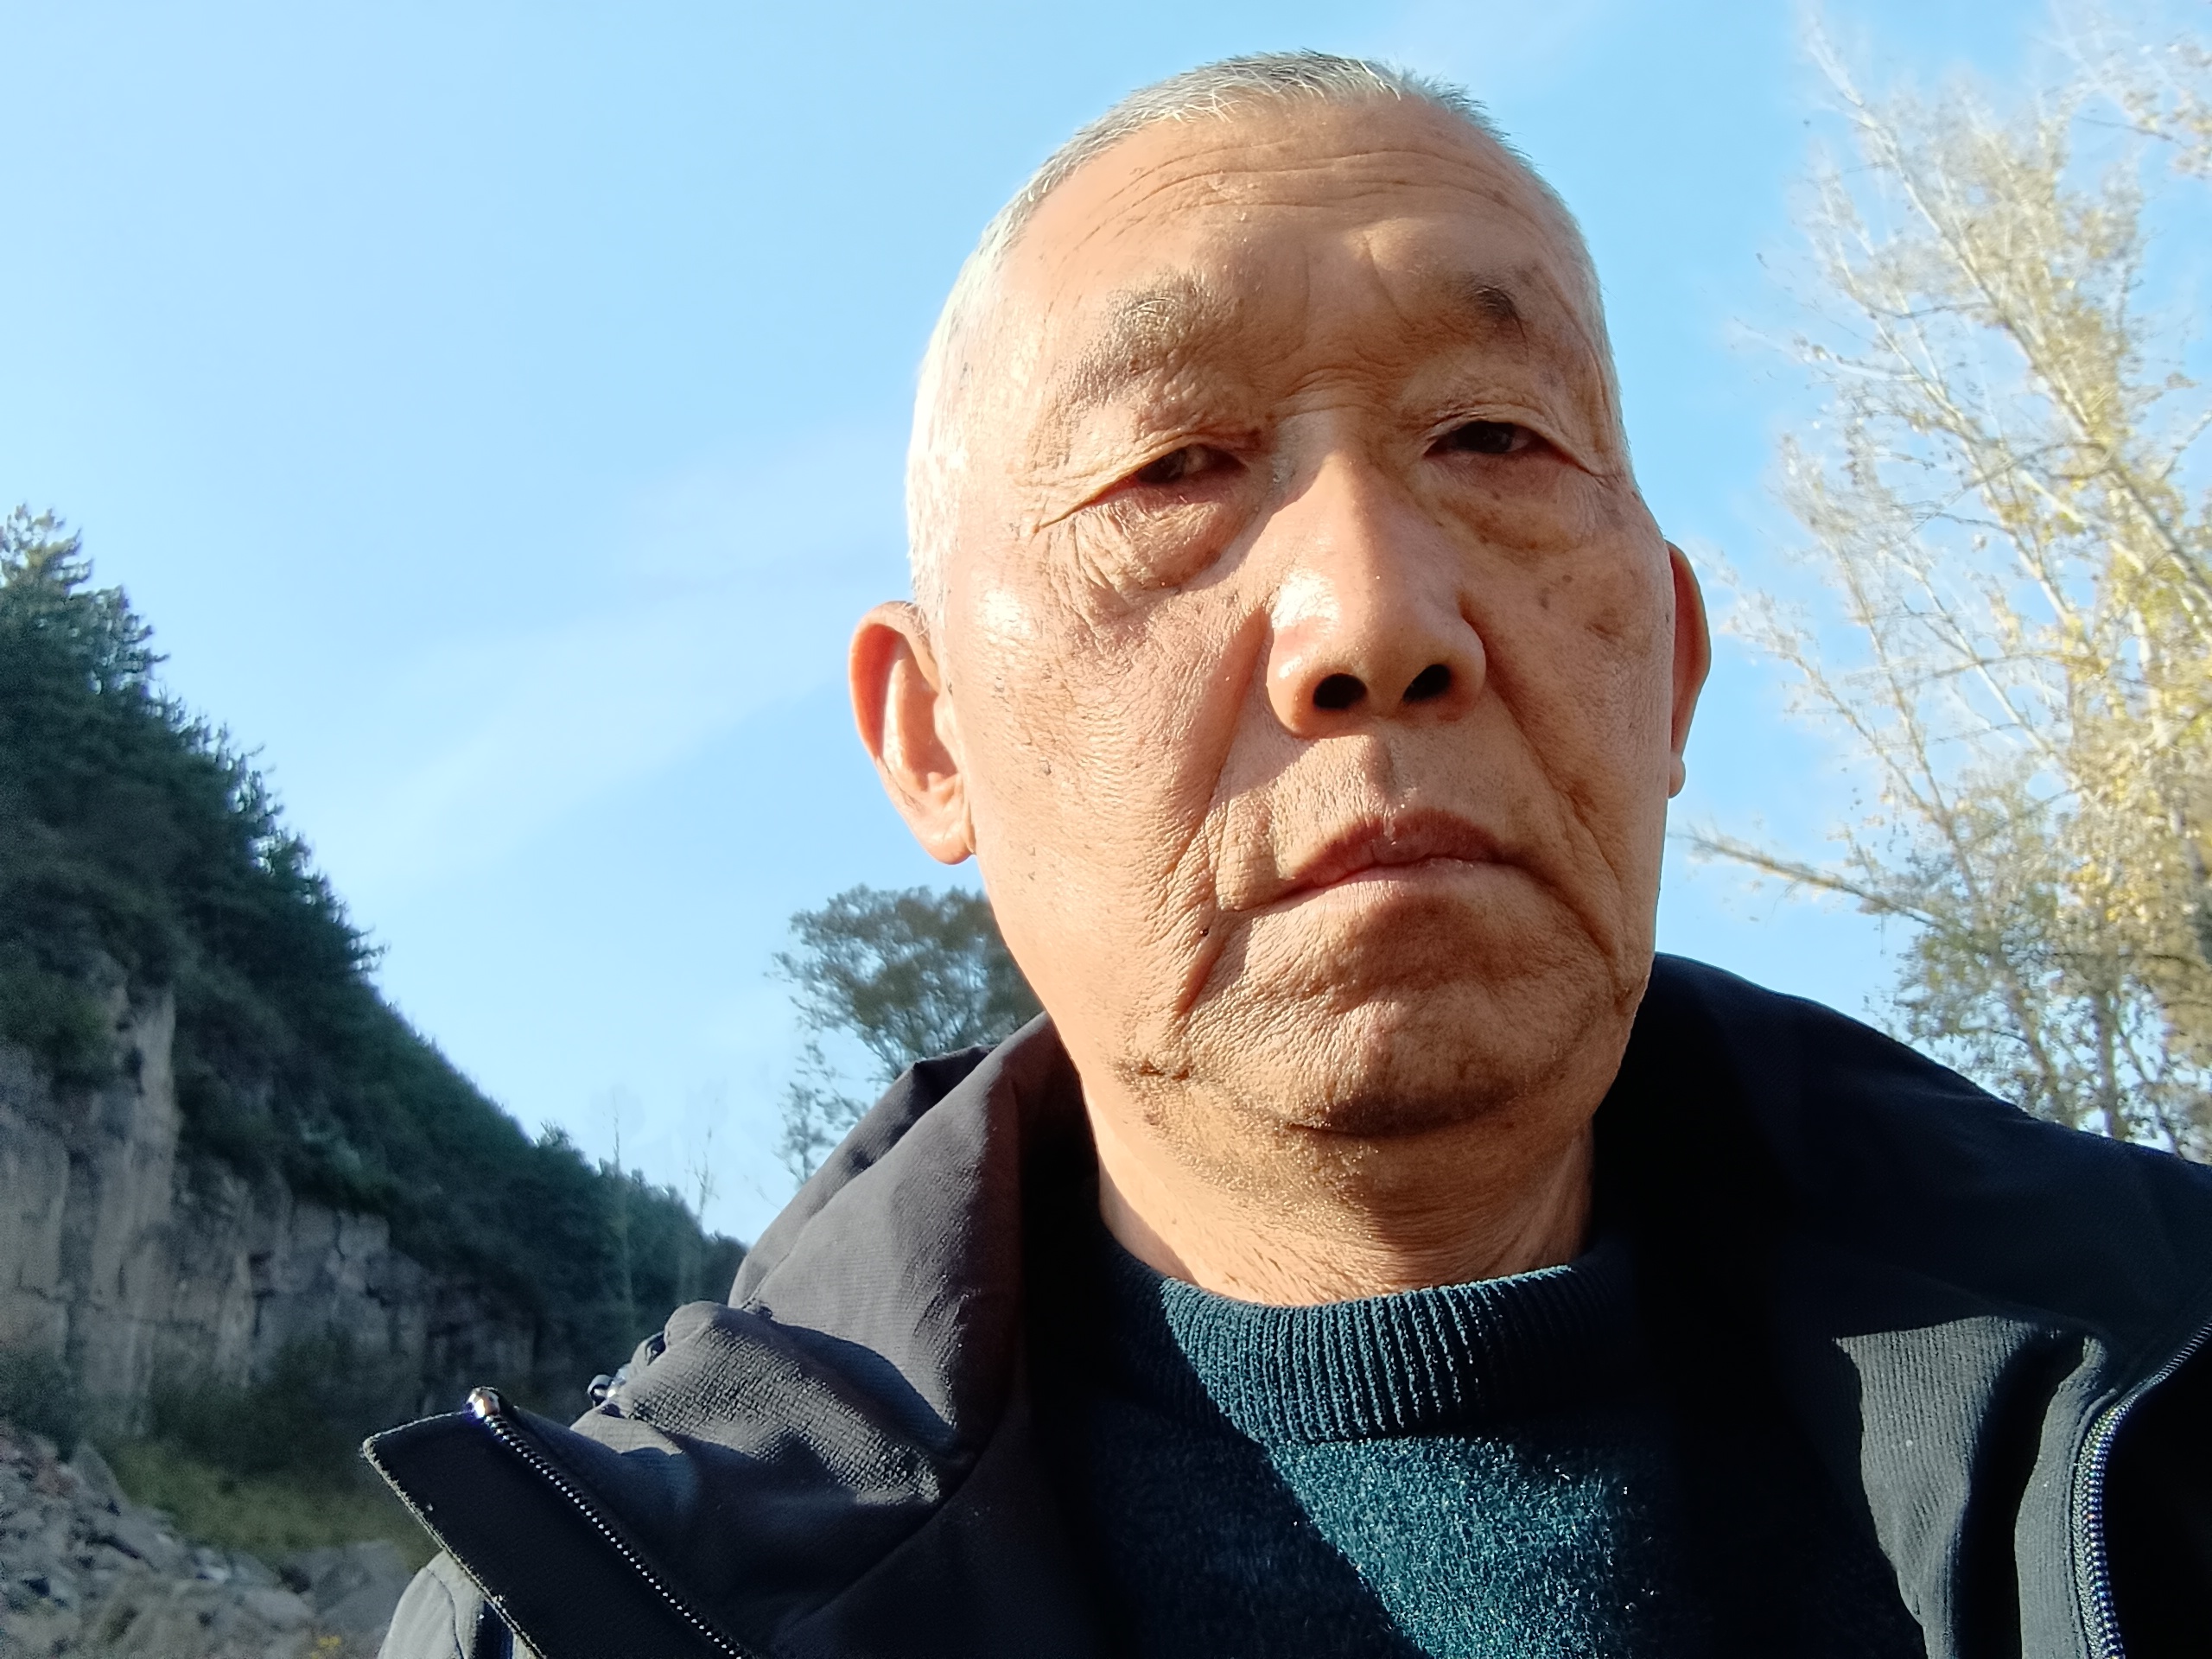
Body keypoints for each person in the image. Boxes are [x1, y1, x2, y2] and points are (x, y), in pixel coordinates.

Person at [372, 54, 2212, 1659]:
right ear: (930, 737)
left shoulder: (2169, 1401)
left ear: (1670, 672)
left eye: (1493, 436)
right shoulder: (568, 1618)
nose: (1376, 617)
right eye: (1173, 467)